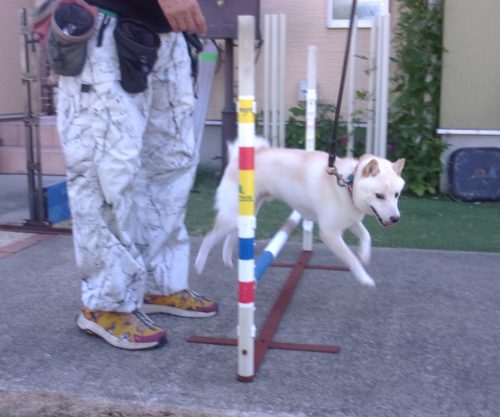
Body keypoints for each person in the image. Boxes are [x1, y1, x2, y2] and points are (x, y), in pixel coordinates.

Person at [56, 0, 218, 350]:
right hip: (107, 24)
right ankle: (106, 303)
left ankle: (159, 284)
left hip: (168, 35)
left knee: (170, 164)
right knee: (105, 170)